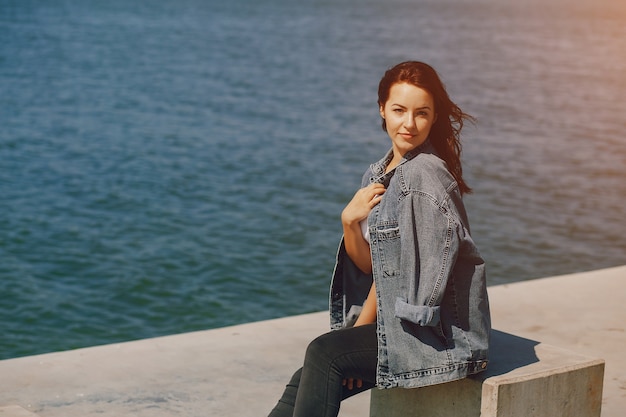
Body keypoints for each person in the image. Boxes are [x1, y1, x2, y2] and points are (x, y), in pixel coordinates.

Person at [267, 61, 491, 417]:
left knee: (325, 354)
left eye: (421, 113)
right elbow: (372, 265)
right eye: (399, 110)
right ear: (382, 109)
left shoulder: (421, 179)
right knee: (311, 369)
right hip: (402, 323)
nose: (409, 123)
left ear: (433, 118)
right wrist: (349, 222)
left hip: (439, 336)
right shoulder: (380, 171)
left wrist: (361, 334)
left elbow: (400, 278)